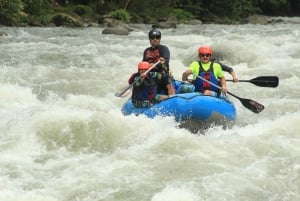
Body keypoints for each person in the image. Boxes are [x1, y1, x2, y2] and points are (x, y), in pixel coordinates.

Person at [142, 25, 175, 96]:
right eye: (152, 37)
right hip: (149, 75)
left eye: (157, 37)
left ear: (160, 39)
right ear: (150, 39)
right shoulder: (146, 51)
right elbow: (143, 64)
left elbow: (165, 62)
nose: (155, 39)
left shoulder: (163, 48)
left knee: (166, 77)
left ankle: (172, 96)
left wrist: (152, 65)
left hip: (161, 74)